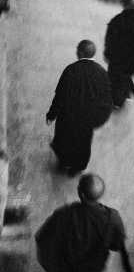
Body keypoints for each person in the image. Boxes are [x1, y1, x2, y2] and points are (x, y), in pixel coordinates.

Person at [35, 173, 126, 272]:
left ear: (81, 194)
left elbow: (43, 238)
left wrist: (53, 268)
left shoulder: (64, 214)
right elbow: (117, 245)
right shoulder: (113, 219)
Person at [46, 40, 113, 174]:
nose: (76, 52)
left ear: (81, 53)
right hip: (86, 122)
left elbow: (59, 96)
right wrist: (96, 121)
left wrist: (51, 115)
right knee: (82, 144)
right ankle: (78, 167)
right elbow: (107, 101)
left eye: (77, 50)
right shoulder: (102, 73)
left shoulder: (71, 70)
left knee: (64, 141)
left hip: (67, 118)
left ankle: (64, 163)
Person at [104, 0, 134, 108]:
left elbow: (109, 39)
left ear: (125, 5)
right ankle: (126, 94)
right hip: (131, 58)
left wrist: (107, 53)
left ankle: (117, 101)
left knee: (115, 78)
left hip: (116, 57)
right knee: (125, 76)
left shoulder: (117, 20)